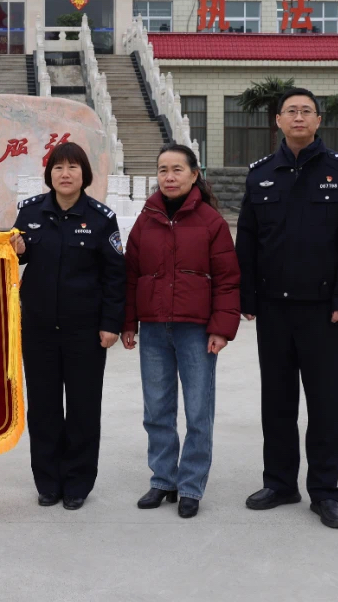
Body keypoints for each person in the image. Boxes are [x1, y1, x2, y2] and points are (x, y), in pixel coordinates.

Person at [235, 87, 338, 530]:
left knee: (325, 404)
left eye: (306, 111)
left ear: (318, 120)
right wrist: (246, 296)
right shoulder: (261, 175)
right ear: (278, 120)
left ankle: (325, 492)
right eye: (290, 111)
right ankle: (280, 483)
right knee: (277, 401)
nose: (298, 117)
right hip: (273, 309)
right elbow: (247, 240)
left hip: (323, 311)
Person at [121, 144, 240, 519]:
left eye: (177, 169)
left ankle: (190, 486)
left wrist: (221, 329)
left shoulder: (211, 222)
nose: (169, 177)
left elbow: (227, 279)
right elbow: (131, 275)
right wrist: (128, 323)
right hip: (154, 330)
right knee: (156, 409)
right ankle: (163, 480)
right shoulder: (146, 220)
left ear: (194, 174)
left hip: (197, 331)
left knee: (198, 411)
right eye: (163, 170)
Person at [10, 142, 125, 511]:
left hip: (84, 332)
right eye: (58, 167)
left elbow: (115, 276)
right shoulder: (30, 213)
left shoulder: (101, 218)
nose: (65, 174)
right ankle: (47, 481)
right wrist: (16, 251)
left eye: (73, 167)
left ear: (84, 174)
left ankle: (77, 483)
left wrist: (110, 324)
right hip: (39, 329)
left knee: (83, 408)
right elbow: (11, 261)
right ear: (50, 174)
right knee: (43, 408)